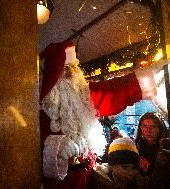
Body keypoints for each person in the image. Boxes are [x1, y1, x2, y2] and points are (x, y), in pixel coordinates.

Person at [39, 41, 158, 189]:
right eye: (67, 69)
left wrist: (150, 76)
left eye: (75, 67)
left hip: (88, 177)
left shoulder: (82, 93)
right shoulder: (42, 106)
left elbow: (113, 93)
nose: (73, 73)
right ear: (54, 73)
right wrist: (55, 147)